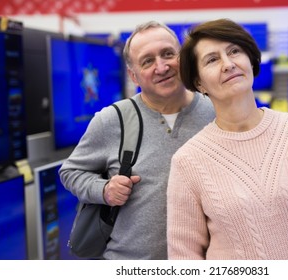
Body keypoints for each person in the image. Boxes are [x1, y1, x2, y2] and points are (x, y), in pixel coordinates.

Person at [166, 18, 288, 260]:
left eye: (234, 51)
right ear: (199, 83)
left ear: (250, 60)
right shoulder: (188, 161)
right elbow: (184, 256)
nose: (228, 64)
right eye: (212, 60)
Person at [59, 21, 215, 260]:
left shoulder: (215, 111)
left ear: (182, 57)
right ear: (133, 75)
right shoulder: (112, 120)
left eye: (168, 54)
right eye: (147, 61)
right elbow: (70, 172)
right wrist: (105, 190)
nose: (161, 67)